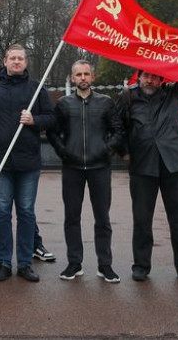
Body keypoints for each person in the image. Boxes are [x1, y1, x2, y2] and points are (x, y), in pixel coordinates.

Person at [0, 44, 54, 282]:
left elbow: (51, 118)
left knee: (26, 212)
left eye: (21, 58)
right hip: (0, 162)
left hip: (28, 163)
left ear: (25, 62)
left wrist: (34, 120)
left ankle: (26, 263)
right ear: (5, 62)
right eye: (12, 58)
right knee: (1, 212)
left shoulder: (37, 88)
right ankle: (5, 262)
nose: (17, 62)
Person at [117, 70, 178, 284]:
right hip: (142, 164)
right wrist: (124, 152)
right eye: (146, 75)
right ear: (139, 76)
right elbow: (118, 127)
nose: (150, 80)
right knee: (142, 219)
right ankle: (141, 266)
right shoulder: (127, 96)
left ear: (162, 78)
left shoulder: (174, 93)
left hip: (173, 164)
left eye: (155, 76)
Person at [48, 60, 124, 282]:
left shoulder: (105, 103)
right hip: (72, 168)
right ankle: (74, 263)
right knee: (72, 217)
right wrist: (64, 152)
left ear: (93, 77)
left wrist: (106, 150)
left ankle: (105, 265)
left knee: (102, 218)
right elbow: (53, 133)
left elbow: (117, 130)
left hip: (99, 168)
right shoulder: (63, 104)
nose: (82, 78)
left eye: (86, 74)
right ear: (72, 78)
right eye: (78, 74)